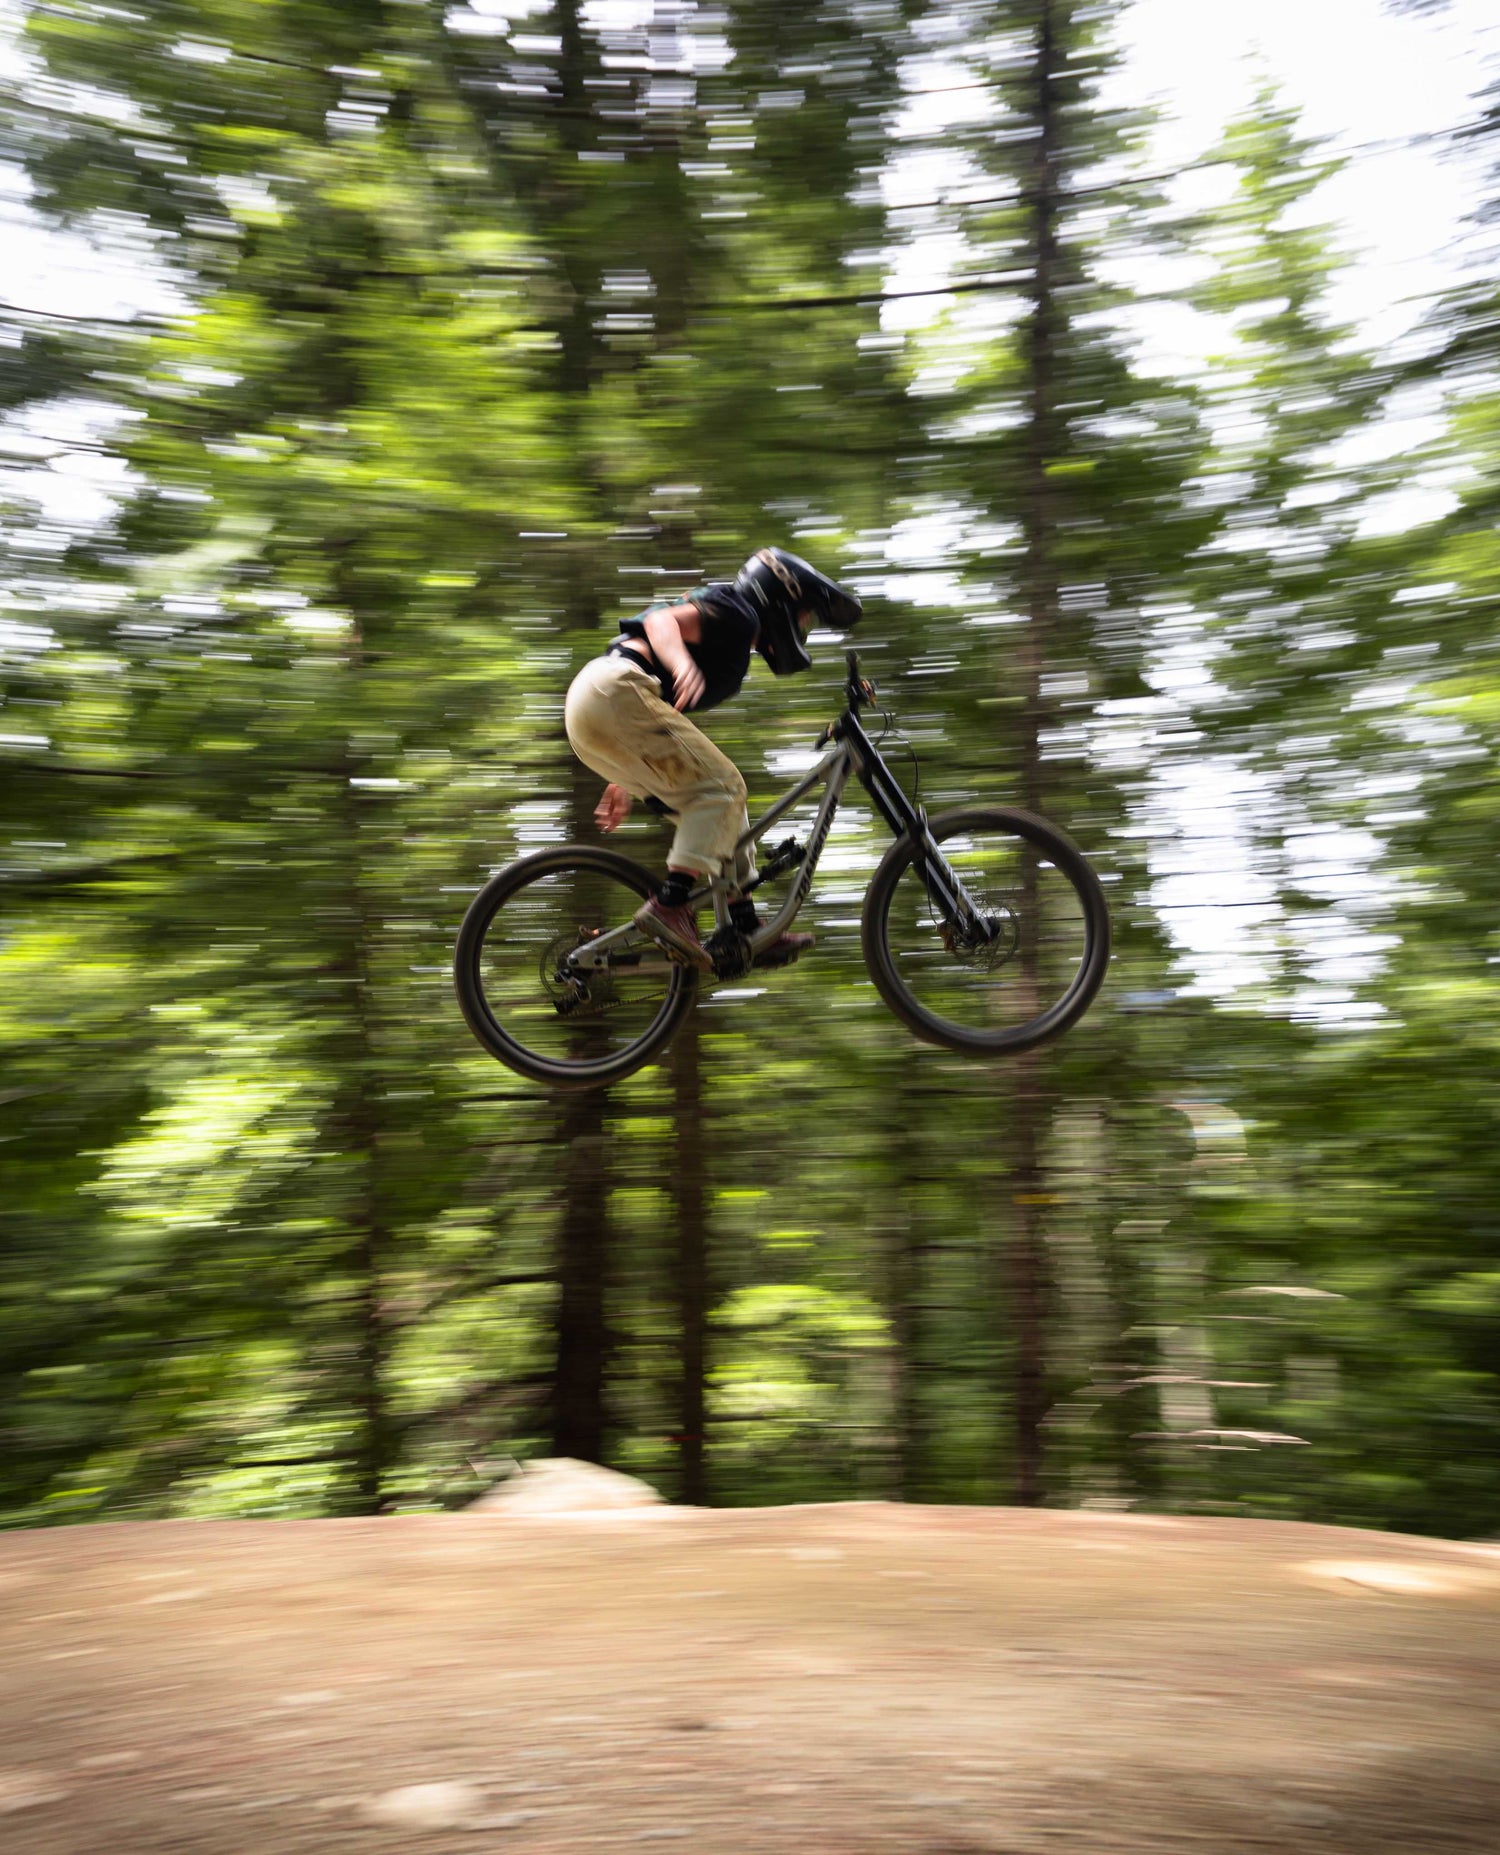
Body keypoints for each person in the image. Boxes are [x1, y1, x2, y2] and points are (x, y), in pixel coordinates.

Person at [563, 546, 862, 974]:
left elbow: (661, 718)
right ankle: (669, 906)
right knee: (723, 787)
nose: (804, 627)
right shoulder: (739, 612)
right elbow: (660, 621)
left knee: (726, 812)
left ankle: (743, 926)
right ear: (781, 598)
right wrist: (680, 658)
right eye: (804, 616)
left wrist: (622, 779)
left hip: (596, 710)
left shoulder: (734, 650)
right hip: (615, 689)